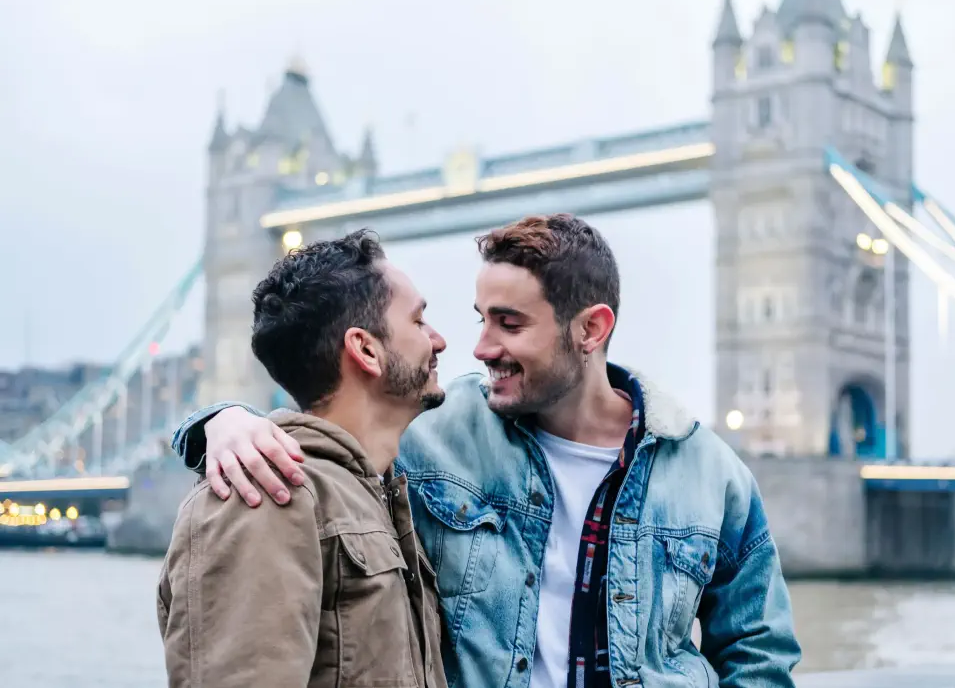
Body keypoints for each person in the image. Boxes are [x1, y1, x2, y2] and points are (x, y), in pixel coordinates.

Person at [172, 214, 802, 688]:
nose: (477, 347)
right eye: (479, 318)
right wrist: (221, 423)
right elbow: (328, 421)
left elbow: (759, 653)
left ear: (592, 329)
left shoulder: (711, 473)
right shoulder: (433, 432)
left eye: (510, 323)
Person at [158, 232, 448, 688]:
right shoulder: (263, 495)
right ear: (366, 350)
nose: (440, 340)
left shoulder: (377, 492)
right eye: (419, 322)